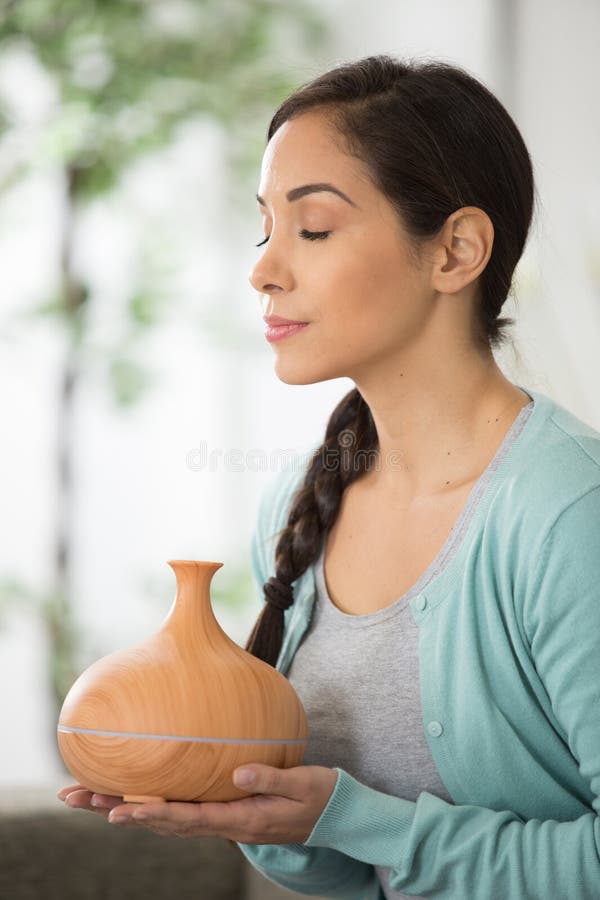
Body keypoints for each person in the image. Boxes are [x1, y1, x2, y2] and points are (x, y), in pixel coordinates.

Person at [58, 54, 600, 899]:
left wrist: (354, 817)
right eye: (264, 228)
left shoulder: (568, 517)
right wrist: (248, 809)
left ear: (456, 250)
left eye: (311, 229)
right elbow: (349, 871)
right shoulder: (302, 504)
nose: (264, 270)